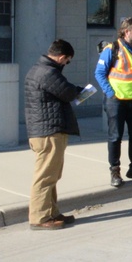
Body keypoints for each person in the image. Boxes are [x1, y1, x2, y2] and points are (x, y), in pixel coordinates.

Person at [25, 39, 83, 230]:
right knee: (45, 176)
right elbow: (67, 92)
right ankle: (40, 217)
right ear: (62, 57)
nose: (66, 64)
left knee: (52, 175)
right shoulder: (48, 72)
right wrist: (80, 92)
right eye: (67, 61)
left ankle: (51, 212)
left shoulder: (38, 69)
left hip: (44, 130)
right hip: (48, 131)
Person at [95, 17, 132, 187]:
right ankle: (115, 170)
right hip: (116, 100)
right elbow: (99, 73)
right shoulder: (112, 49)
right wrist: (110, 93)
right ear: (126, 31)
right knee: (115, 137)